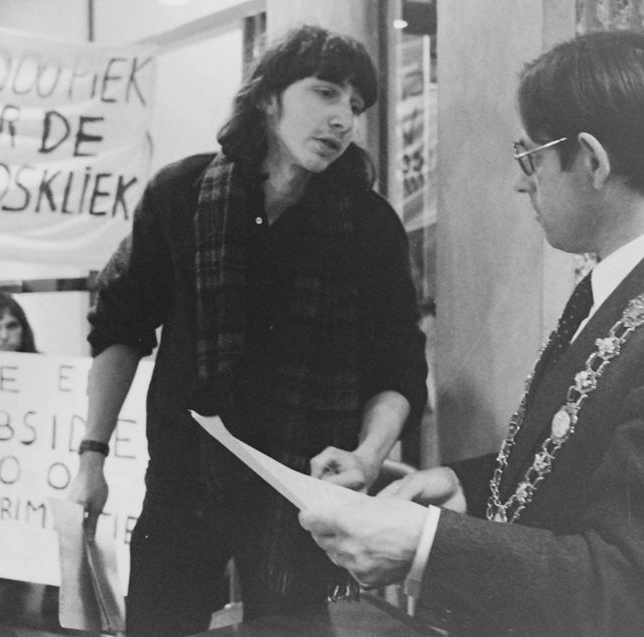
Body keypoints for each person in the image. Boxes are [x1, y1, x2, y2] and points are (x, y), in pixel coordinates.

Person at [299, 30, 644, 637]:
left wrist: (431, 544)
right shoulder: (637, 281)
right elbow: (584, 463)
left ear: (591, 160)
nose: (520, 181)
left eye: (530, 155)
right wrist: (465, 489)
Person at [69, 25, 428, 637]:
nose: (343, 119)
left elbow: (399, 371)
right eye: (325, 94)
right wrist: (91, 458)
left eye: (356, 106)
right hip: (186, 480)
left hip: (304, 492)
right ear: (267, 98)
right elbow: (120, 327)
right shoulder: (180, 195)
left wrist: (368, 458)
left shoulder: (369, 226)